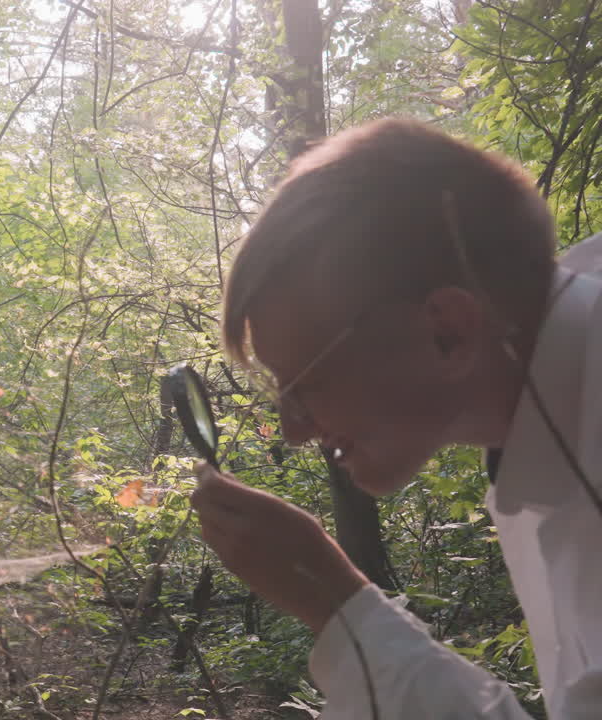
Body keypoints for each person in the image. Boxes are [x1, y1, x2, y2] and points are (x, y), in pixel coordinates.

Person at [189, 117, 602, 719]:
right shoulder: (559, 400)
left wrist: (341, 607)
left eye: (303, 386)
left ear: (447, 334)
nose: (294, 430)